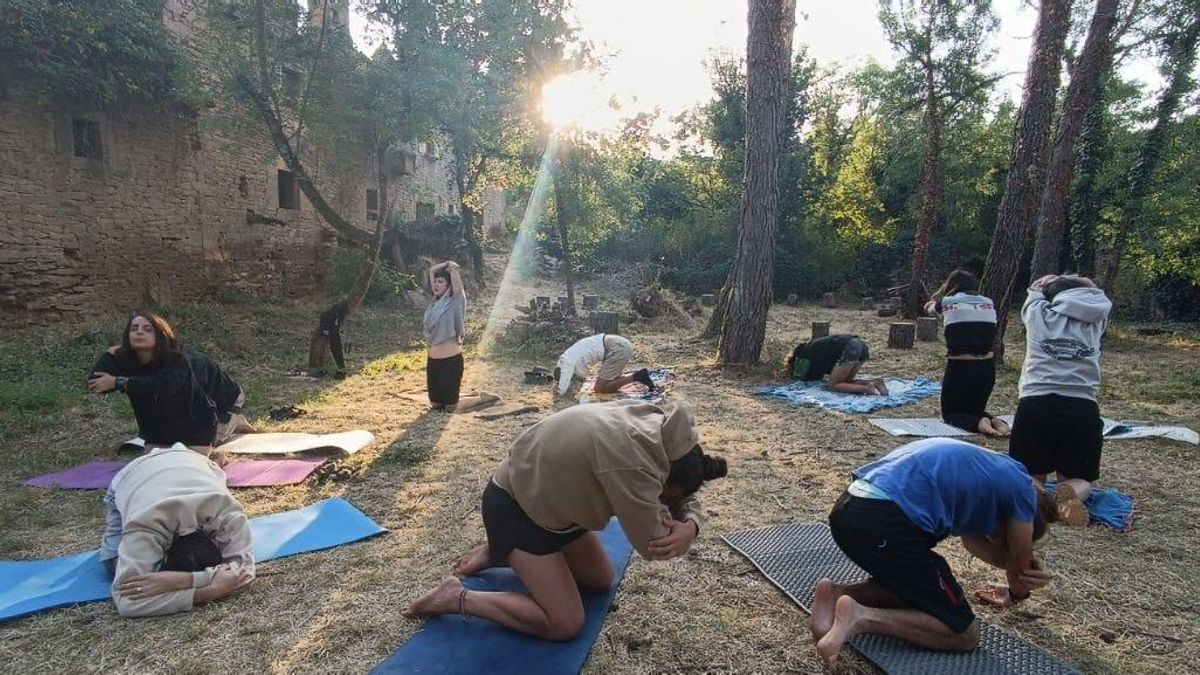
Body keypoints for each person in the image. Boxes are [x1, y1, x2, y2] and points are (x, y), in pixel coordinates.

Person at [403, 400, 728, 640]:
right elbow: (654, 544)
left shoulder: (658, 426)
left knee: (600, 579)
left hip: (554, 506)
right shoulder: (632, 466)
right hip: (515, 508)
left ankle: (497, 551)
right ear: (663, 477)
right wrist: (686, 530)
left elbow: (678, 490)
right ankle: (456, 596)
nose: (665, 505)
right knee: (564, 623)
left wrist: (692, 522)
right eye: (664, 498)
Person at [811, 438, 1057, 668]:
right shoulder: (1023, 491)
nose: (993, 539)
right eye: (1002, 536)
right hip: (885, 520)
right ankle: (861, 616)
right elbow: (1019, 562)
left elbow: (975, 544)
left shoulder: (989, 474)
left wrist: (1013, 568)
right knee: (964, 633)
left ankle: (837, 594)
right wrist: (1019, 588)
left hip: (850, 510)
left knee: (919, 590)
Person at [98, 444, 255, 617]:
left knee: (141, 581)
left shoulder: (227, 513)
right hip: (130, 475)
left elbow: (243, 573)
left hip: (195, 462)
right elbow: (127, 602)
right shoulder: (146, 525)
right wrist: (211, 588)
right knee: (113, 563)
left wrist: (180, 582)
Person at [1009, 274, 1112, 527]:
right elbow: (1097, 297)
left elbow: (1033, 292)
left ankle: (1037, 498)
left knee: (1030, 474)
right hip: (1081, 406)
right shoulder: (1097, 318)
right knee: (1079, 477)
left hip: (1035, 404)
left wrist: (1042, 285)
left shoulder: (1037, 315)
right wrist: (1083, 282)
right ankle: (1069, 494)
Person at [87, 312, 249, 452]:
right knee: (152, 465)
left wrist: (120, 382)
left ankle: (229, 423)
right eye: (134, 329)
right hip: (161, 430)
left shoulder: (181, 360)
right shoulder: (128, 360)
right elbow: (96, 383)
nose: (139, 332)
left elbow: (164, 387)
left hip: (204, 417)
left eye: (148, 329)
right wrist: (109, 355)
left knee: (188, 461)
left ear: (160, 335)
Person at [924, 270, 1007, 436]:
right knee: (973, 410)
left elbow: (929, 309)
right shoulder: (988, 302)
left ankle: (980, 423)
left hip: (960, 367)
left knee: (950, 415)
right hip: (987, 368)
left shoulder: (947, 301)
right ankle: (992, 419)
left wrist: (938, 295)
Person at [553, 333, 654, 397]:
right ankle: (633, 377)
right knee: (608, 383)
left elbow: (564, 382)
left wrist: (560, 392)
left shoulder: (567, 362)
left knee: (600, 388)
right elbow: (581, 377)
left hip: (617, 348)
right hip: (616, 344)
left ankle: (638, 376)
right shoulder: (568, 356)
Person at [424, 260, 466, 411]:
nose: (435, 285)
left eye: (440, 282)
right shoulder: (434, 303)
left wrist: (452, 267)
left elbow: (458, 288)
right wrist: (444, 263)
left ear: (448, 285)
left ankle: (479, 400)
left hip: (451, 363)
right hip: (433, 363)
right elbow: (431, 271)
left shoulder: (455, 301)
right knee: (435, 405)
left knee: (450, 407)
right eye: (434, 282)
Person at [785, 334, 888, 395]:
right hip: (860, 345)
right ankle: (873, 382)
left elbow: (799, 376)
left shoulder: (803, 355)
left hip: (850, 347)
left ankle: (867, 388)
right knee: (846, 382)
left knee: (833, 386)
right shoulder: (814, 347)